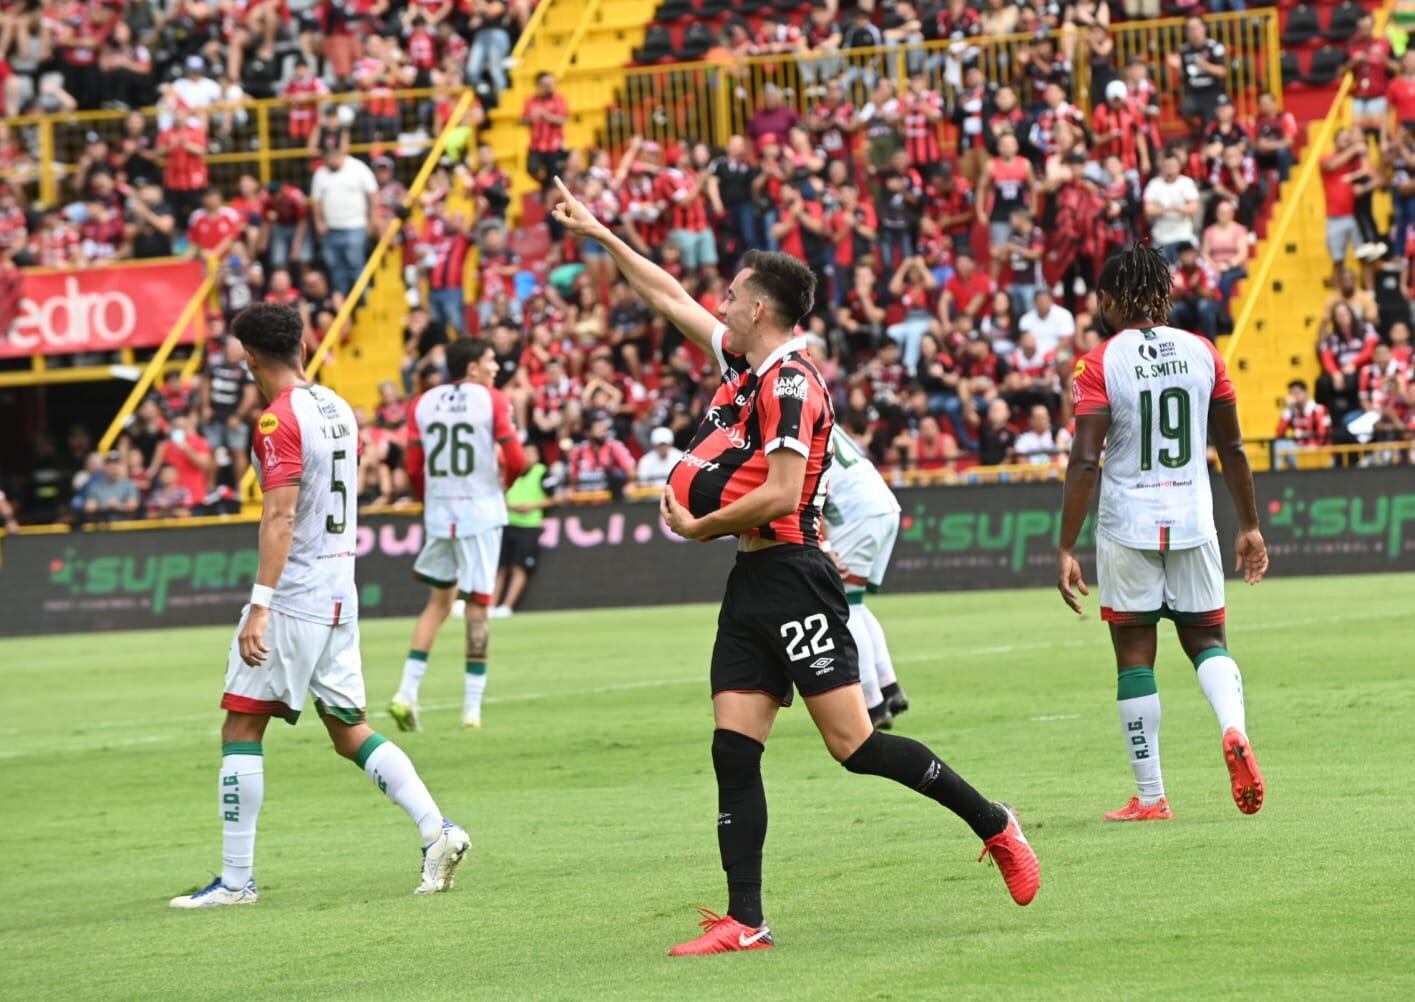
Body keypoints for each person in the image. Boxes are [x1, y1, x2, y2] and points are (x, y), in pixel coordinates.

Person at [551, 178, 1039, 956]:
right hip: (752, 577)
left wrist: (700, 524)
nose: (720, 301)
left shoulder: (788, 383)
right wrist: (600, 234)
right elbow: (669, 296)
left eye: (733, 293)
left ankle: (995, 824)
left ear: (758, 310)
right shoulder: (746, 364)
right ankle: (747, 919)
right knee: (731, 747)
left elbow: (781, 492)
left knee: (855, 747)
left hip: (792, 573)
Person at [169, 303, 470, 909]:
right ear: (302, 346)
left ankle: (235, 882)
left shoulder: (276, 422)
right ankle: (438, 832)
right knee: (346, 729)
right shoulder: (337, 407)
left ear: (249, 356)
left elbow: (280, 516)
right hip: (340, 591)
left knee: (241, 725)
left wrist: (260, 606)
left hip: (296, 596)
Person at [1057, 244, 1268, 824]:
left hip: (1129, 523)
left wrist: (1066, 545)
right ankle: (1233, 729)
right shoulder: (1204, 352)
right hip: (1196, 515)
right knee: (1207, 642)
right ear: (1164, 293)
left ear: (1107, 300)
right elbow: (1233, 449)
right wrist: (1248, 524)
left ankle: (1151, 797)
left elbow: (1084, 461)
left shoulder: (1097, 363)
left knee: (1134, 655)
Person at [390, 337, 526, 732]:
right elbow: (515, 458)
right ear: (471, 368)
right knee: (478, 606)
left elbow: (414, 467)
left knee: (437, 604)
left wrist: (426, 500)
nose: (496, 368)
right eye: (490, 361)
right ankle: (471, 710)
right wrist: (505, 485)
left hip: (440, 512)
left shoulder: (423, 402)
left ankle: (406, 693)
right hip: (479, 511)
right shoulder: (493, 400)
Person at [819, 415, 909, 731]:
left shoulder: (788, 420)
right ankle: (889, 686)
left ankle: (873, 704)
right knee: (854, 604)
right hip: (883, 505)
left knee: (840, 607)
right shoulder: (815, 410)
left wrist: (826, 544)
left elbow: (808, 496)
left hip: (855, 514)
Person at [493, 443, 559, 619]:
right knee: (500, 568)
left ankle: (507, 607)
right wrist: (510, 507)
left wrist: (531, 506)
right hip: (507, 522)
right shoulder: (509, 470)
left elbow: (556, 498)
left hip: (529, 525)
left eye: (532, 453)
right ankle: (491, 605)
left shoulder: (543, 472)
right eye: (525, 453)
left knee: (519, 567)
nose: (528, 457)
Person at [311, 149, 378, 297]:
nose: (331, 158)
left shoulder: (358, 167)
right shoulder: (320, 173)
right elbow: (316, 201)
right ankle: (341, 300)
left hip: (356, 225)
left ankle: (362, 299)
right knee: (335, 267)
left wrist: (373, 218)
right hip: (331, 228)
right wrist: (319, 222)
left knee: (355, 263)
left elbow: (372, 194)